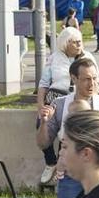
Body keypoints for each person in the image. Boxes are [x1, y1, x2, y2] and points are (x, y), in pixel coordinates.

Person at [42, 55, 99, 198]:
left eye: (94, 78)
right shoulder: (60, 105)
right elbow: (43, 143)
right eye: (86, 79)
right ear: (74, 78)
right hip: (71, 177)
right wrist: (44, 122)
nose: (91, 83)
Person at [35, 27, 85, 184]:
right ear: (65, 43)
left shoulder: (85, 58)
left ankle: (61, 167)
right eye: (75, 42)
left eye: (80, 42)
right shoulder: (54, 58)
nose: (79, 45)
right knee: (42, 124)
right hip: (55, 98)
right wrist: (40, 105)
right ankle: (50, 162)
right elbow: (43, 84)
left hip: (76, 100)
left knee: (66, 132)